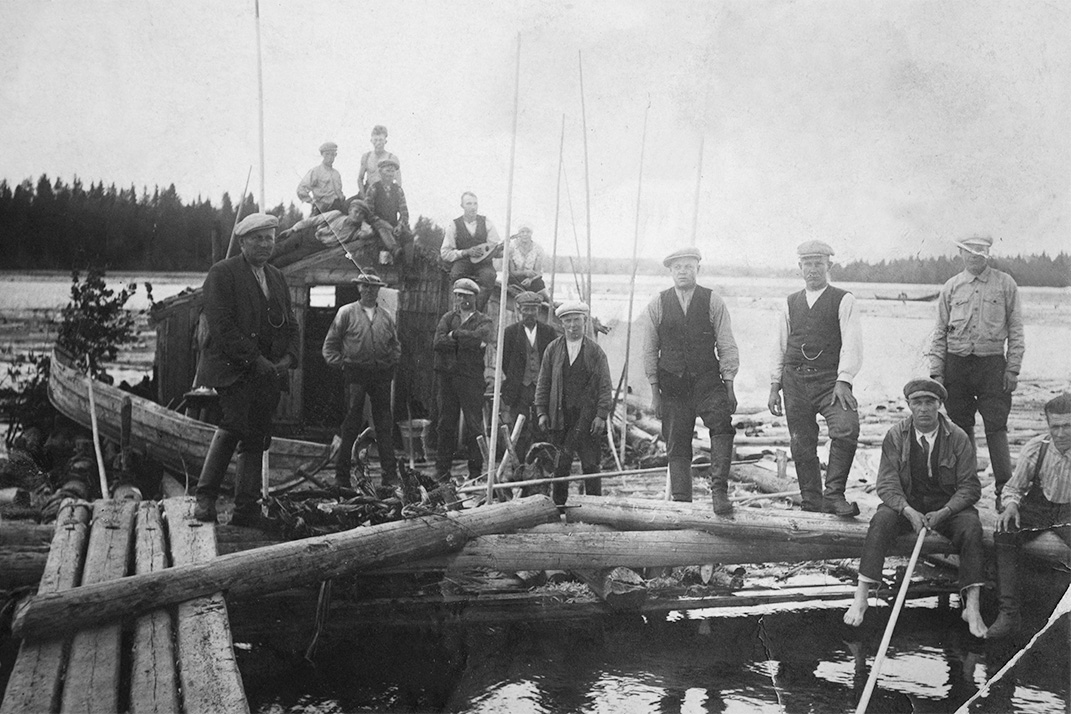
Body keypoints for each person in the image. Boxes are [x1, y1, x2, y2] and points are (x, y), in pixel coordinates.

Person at [843, 379, 987, 638]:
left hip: (947, 507)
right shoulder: (896, 435)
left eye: (929, 402)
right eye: (917, 402)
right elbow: (886, 485)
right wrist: (907, 511)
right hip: (909, 504)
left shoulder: (958, 437)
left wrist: (945, 512)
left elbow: (970, 488)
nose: (923, 409)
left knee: (971, 528)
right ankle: (861, 596)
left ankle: (972, 607)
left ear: (939, 404)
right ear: (909, 405)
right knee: (881, 520)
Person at [194, 213, 299, 526]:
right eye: (258, 238)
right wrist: (255, 360)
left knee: (257, 436)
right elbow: (222, 327)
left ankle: (246, 510)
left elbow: (291, 324)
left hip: (267, 372)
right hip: (234, 368)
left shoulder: (276, 277)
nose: (265, 244)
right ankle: (205, 499)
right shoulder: (222, 273)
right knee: (233, 424)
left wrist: (290, 358)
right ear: (242, 242)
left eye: (269, 238)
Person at [928, 235, 1025, 510]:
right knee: (960, 428)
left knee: (996, 426)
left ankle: (1004, 493)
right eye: (969, 252)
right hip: (955, 365)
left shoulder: (1005, 284)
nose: (975, 257)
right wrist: (937, 373)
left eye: (981, 251)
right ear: (960, 253)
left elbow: (1016, 330)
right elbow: (940, 333)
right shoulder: (951, 287)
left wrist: (1013, 368)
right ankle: (967, 490)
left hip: (992, 365)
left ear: (989, 253)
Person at [769, 240, 863, 517]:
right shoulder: (789, 303)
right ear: (799, 267)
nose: (812, 269)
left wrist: (844, 380)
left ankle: (834, 495)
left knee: (846, 428)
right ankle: (811, 501)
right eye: (807, 264)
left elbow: (852, 344)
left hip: (829, 381)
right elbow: (779, 344)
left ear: (828, 266)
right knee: (801, 442)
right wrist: (775, 385)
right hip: (794, 380)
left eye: (818, 263)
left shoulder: (844, 300)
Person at [643, 247, 739, 513]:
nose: (682, 272)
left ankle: (719, 492)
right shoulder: (658, 303)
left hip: (707, 380)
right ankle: (682, 502)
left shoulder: (712, 300)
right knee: (676, 439)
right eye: (677, 268)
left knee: (722, 425)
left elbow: (727, 344)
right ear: (671, 272)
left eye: (688, 266)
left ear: (698, 268)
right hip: (672, 384)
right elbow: (650, 350)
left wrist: (729, 385)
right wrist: (654, 392)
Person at [988, 393, 1071, 639]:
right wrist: (1011, 505)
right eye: (1055, 426)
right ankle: (1009, 613)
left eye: (1068, 426)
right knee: (1004, 530)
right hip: (1039, 509)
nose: (1061, 433)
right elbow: (1013, 488)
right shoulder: (1037, 448)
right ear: (1048, 425)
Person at [321, 269, 401, 490]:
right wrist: (342, 365)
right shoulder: (346, 313)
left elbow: (395, 346)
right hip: (355, 374)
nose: (369, 290)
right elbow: (329, 347)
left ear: (378, 290)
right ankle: (342, 477)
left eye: (373, 287)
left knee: (384, 425)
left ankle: (389, 477)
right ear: (358, 288)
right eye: (364, 286)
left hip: (381, 375)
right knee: (351, 424)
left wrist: (391, 364)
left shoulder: (386, 316)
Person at [536, 301, 612, 509]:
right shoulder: (552, 349)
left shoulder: (595, 352)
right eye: (567, 320)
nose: (572, 325)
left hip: (588, 418)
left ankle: (594, 509)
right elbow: (543, 382)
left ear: (584, 321)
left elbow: (605, 386)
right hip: (560, 417)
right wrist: (542, 411)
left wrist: (601, 415)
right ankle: (558, 507)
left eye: (576, 320)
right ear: (561, 323)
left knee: (591, 464)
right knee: (560, 464)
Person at [433, 278, 494, 484]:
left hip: (471, 379)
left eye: (465, 296)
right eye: (458, 295)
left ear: (475, 297)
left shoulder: (484, 320)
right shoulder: (448, 317)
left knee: (474, 426)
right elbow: (438, 342)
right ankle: (442, 473)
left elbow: (482, 338)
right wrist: (466, 341)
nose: (461, 299)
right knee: (445, 424)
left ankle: (476, 473)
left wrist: (456, 335)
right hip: (447, 378)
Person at [500, 291, 558, 463]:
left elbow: (554, 360)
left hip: (542, 389)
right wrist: (517, 378)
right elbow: (505, 361)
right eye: (526, 310)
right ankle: (519, 466)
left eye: (533, 310)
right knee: (519, 428)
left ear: (539, 310)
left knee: (543, 426)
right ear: (519, 310)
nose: (530, 314)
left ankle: (543, 466)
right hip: (519, 389)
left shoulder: (548, 332)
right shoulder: (510, 333)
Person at [440, 192, 502, 311]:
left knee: (489, 276)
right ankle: (459, 310)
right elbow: (445, 253)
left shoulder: (487, 222)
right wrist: (466, 252)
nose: (473, 207)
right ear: (462, 206)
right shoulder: (454, 225)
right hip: (463, 261)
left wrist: (500, 251)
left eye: (475, 203)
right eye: (469, 203)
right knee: (456, 276)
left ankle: (474, 312)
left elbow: (494, 246)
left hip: (484, 264)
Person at [271, 196, 374, 268]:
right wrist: (294, 229)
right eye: (356, 211)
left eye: (361, 214)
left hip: (313, 248)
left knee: (285, 260)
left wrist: (364, 222)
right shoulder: (336, 215)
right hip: (305, 235)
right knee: (281, 247)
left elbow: (368, 233)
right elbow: (313, 220)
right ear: (350, 210)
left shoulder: (356, 232)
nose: (357, 215)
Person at [365, 157, 412, 264]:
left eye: (392, 171)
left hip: (393, 225)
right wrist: (381, 222)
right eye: (387, 171)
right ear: (380, 172)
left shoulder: (398, 190)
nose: (390, 174)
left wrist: (400, 226)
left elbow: (404, 213)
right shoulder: (373, 188)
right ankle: (395, 250)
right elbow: (368, 212)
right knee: (382, 229)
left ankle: (408, 266)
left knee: (408, 236)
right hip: (376, 224)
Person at [297, 141, 346, 214]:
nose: (330, 157)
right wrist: (312, 202)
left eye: (332, 155)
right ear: (322, 155)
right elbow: (301, 189)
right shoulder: (315, 171)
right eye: (327, 154)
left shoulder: (336, 173)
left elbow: (339, 193)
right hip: (322, 209)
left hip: (338, 207)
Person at [357, 125, 402, 196]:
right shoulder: (366, 157)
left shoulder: (392, 158)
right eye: (375, 140)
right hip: (368, 192)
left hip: (385, 193)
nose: (378, 143)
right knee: (348, 205)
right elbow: (360, 178)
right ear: (371, 141)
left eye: (381, 140)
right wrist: (363, 195)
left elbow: (398, 181)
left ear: (385, 141)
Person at [507, 224, 548, 299]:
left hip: (532, 279)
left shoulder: (538, 248)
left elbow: (538, 272)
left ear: (531, 233)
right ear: (518, 233)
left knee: (540, 286)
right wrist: (525, 272)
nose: (525, 234)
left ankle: (549, 305)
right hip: (515, 278)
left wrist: (530, 280)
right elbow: (512, 271)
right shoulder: (511, 247)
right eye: (522, 232)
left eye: (528, 232)